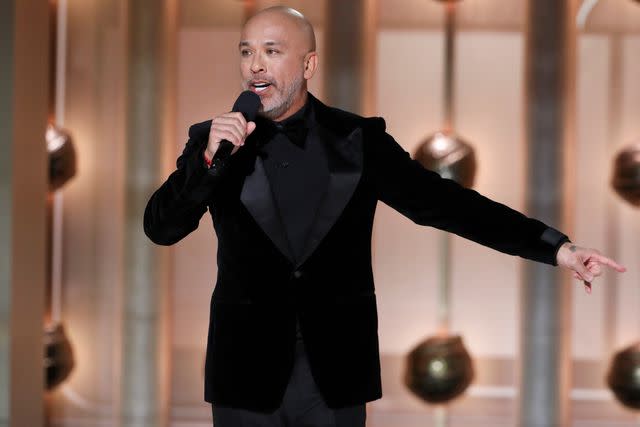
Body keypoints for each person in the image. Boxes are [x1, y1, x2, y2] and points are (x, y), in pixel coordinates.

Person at [143, 6, 626, 427]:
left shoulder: (358, 140)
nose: (255, 66)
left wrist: (557, 248)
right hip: (244, 372)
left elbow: (447, 204)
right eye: (246, 52)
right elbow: (161, 227)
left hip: (335, 376)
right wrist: (207, 164)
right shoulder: (214, 141)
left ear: (308, 63)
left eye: (271, 51)